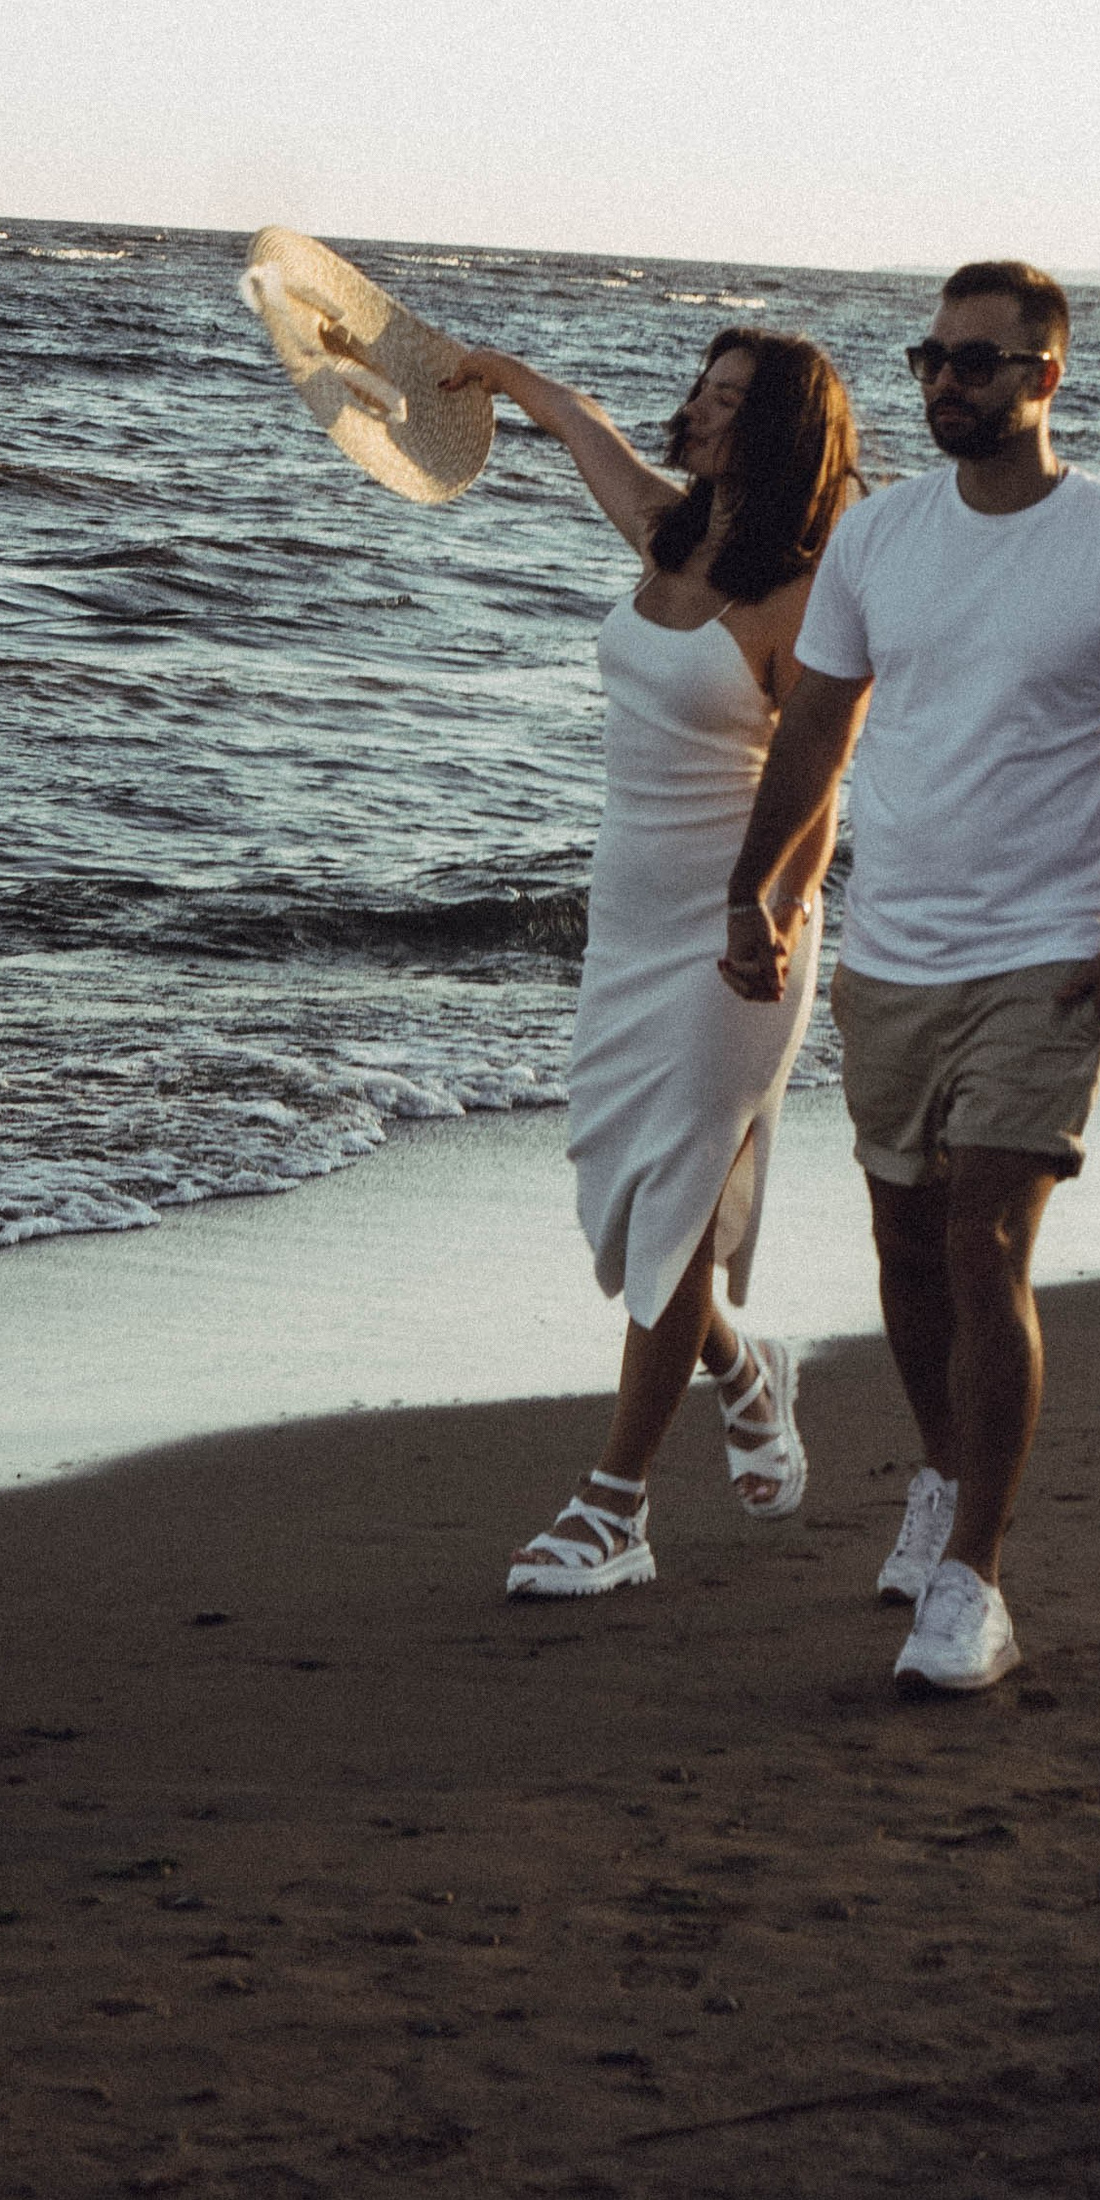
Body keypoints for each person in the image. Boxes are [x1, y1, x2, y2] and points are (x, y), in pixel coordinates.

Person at [718, 259, 1100, 1691]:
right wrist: (753, 889)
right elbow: (816, 731)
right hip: (894, 951)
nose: (945, 381)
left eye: (977, 362)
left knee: (983, 1244)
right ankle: (944, 1476)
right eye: (931, 357)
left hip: (1053, 957)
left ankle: (973, 1585)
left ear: (1044, 378)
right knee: (904, 1246)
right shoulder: (879, 539)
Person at [435, 326, 866, 1599]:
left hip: (738, 937)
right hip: (626, 922)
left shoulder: (806, 596)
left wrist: (771, 907)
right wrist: (494, 374)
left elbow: (819, 778)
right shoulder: (672, 538)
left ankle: (612, 1508)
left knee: (672, 1210)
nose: (699, 412)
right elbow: (587, 431)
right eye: (701, 389)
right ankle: (743, 1366)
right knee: (623, 1212)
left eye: (731, 401)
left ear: (780, 434)